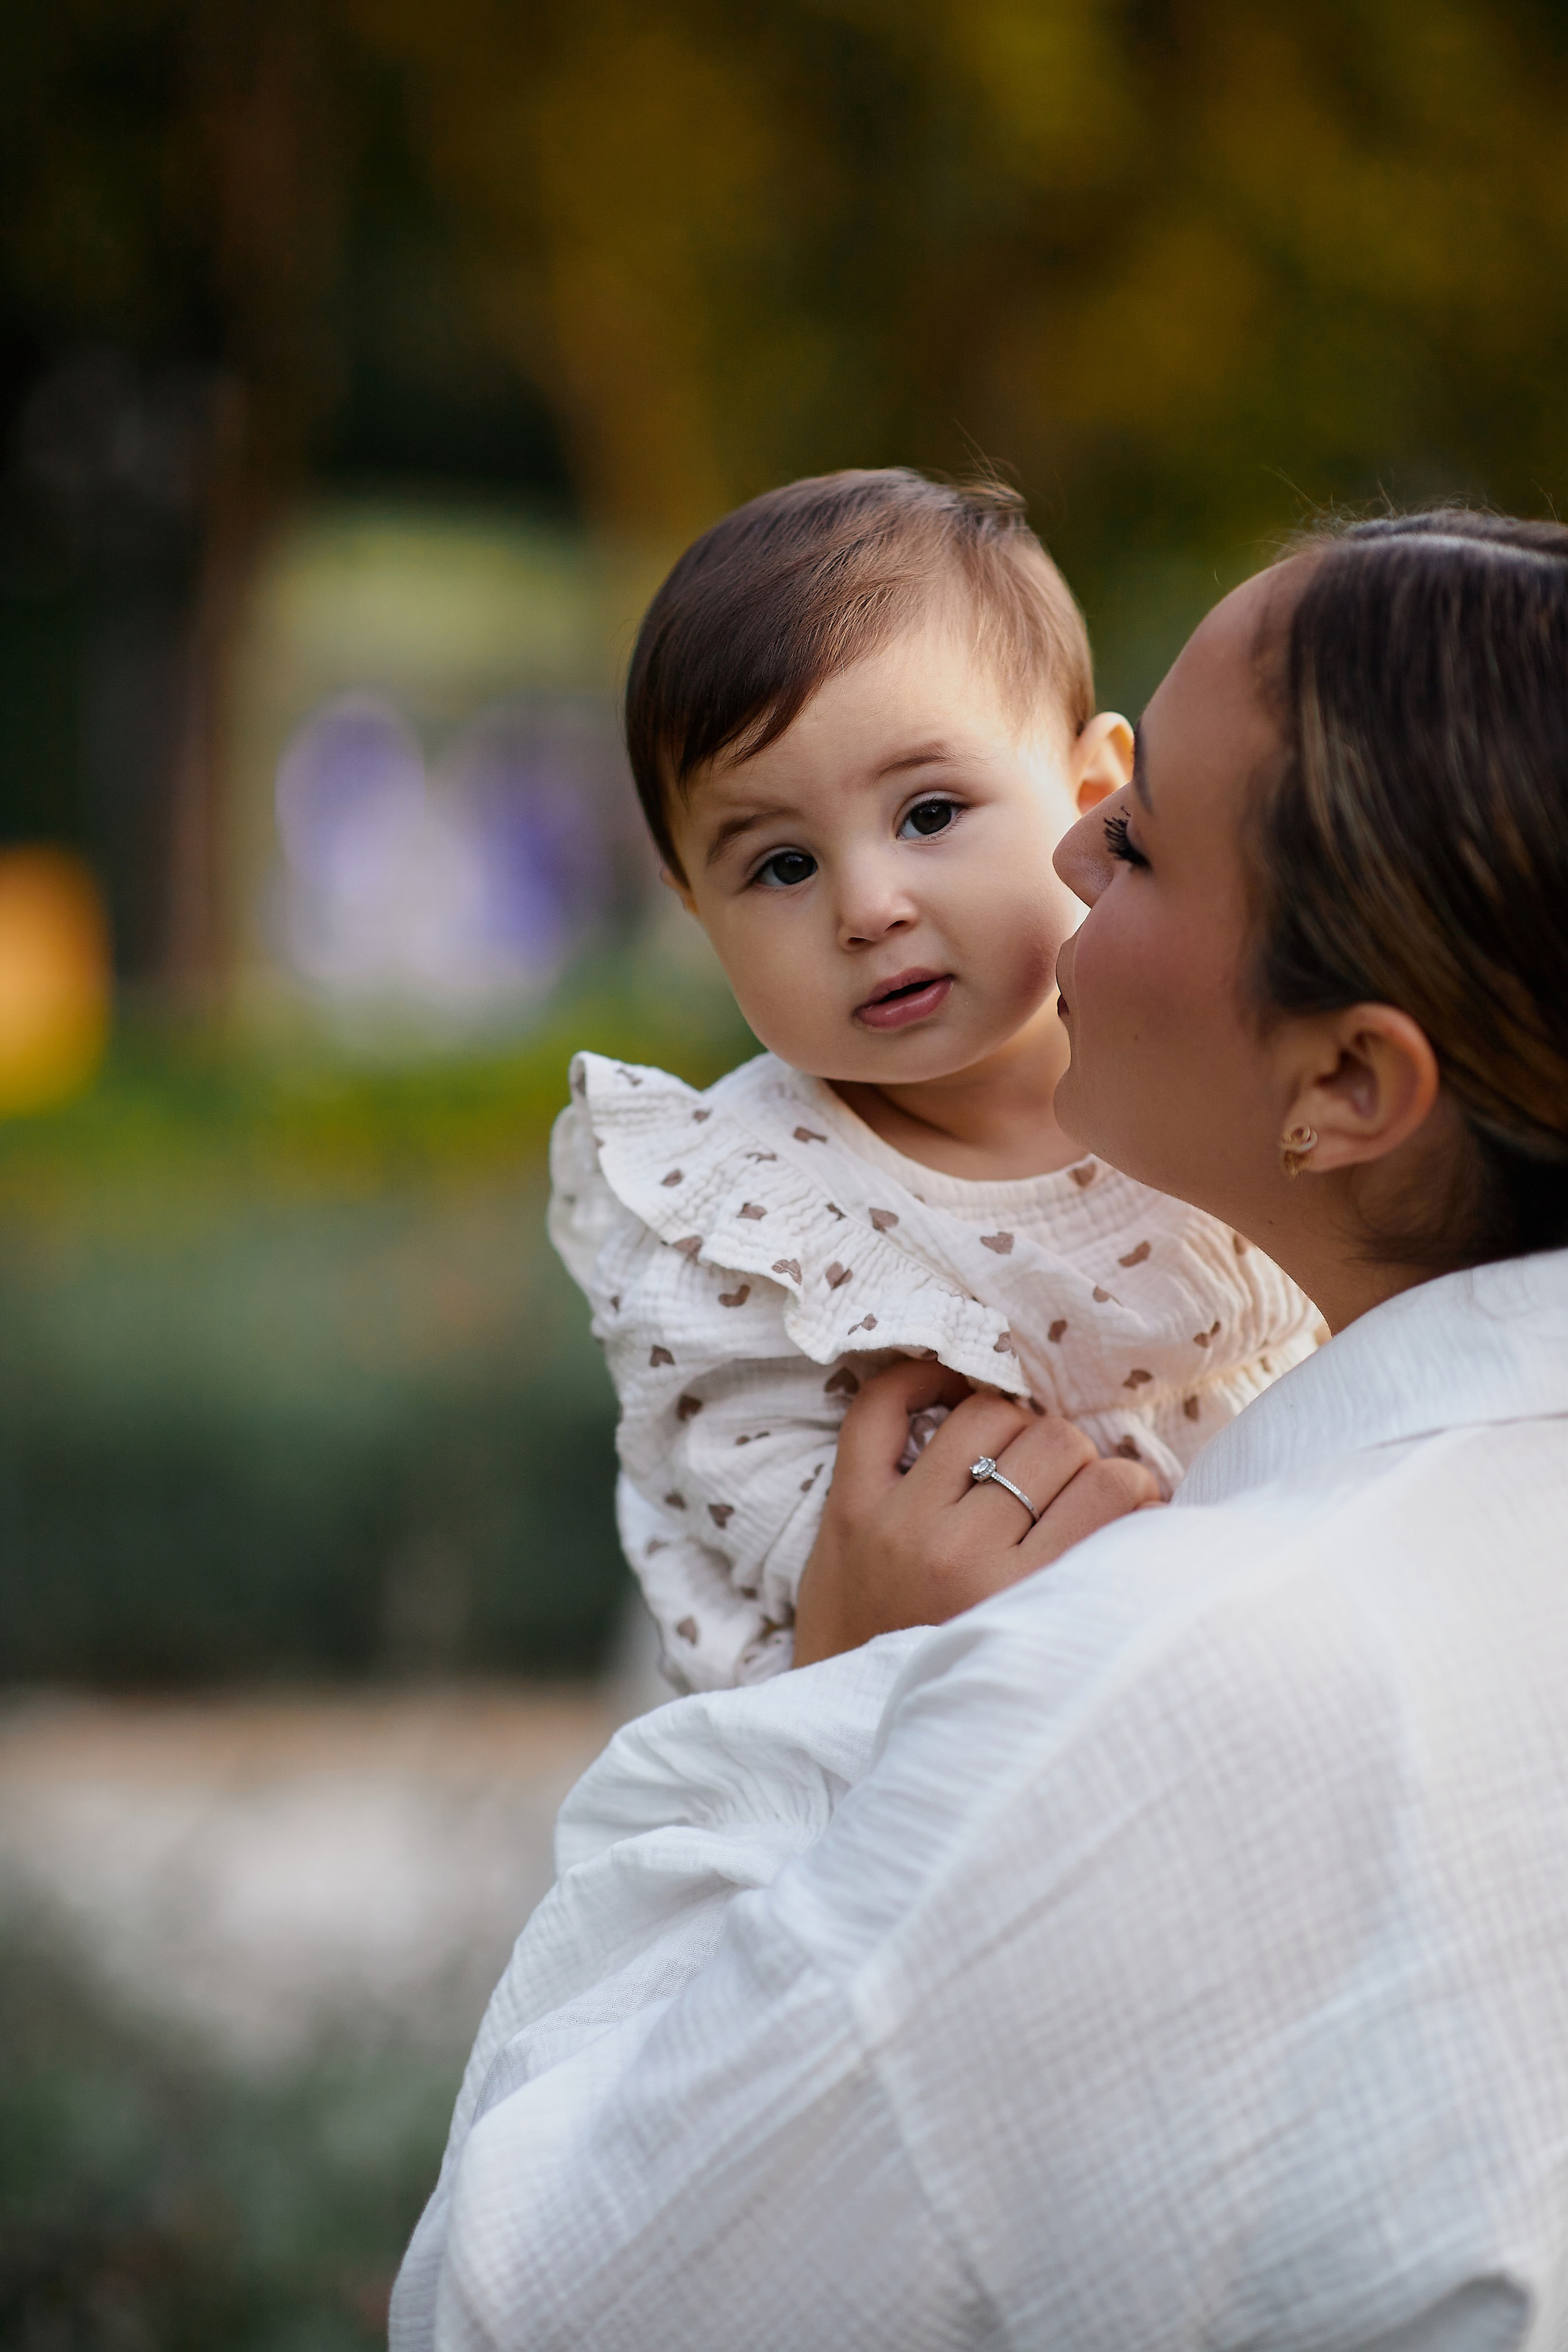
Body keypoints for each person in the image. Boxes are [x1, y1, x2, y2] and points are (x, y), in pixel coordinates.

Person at [393, 511, 1568, 2351]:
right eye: (776, 863)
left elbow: (529, 2304)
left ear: (1347, 1084)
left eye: (1148, 838)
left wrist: (846, 1699)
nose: (1078, 863)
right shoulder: (779, 1211)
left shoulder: (1152, 1689)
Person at [549, 469, 1315, 1691]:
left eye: (927, 814)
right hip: (918, 1711)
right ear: (696, 910)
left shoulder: (1228, 1066)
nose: (866, 907)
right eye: (782, 865)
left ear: (1089, 795)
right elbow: (782, 1524)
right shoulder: (748, 1212)